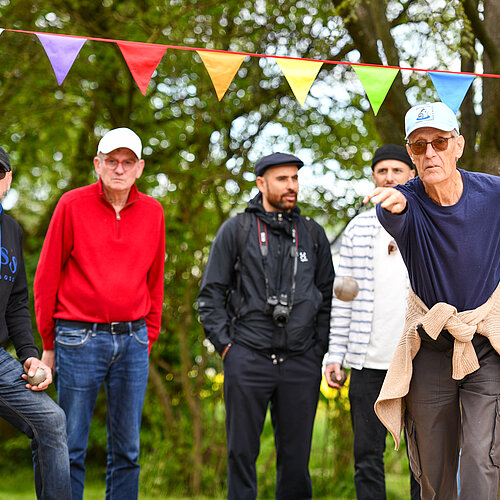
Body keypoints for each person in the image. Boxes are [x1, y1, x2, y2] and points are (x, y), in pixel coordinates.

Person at [364, 101, 500, 500]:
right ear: (410, 153)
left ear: (457, 144)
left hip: (484, 346)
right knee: (434, 471)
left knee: (482, 458)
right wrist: (396, 205)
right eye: (419, 146)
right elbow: (397, 213)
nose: (430, 153)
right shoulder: (403, 202)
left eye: (439, 142)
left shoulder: (492, 194)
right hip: (430, 348)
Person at [33, 127, 165, 500]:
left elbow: (155, 281)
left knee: (128, 450)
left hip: (134, 339)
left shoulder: (154, 212)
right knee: (69, 445)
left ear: (139, 168)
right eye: (111, 161)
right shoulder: (71, 204)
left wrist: (148, 335)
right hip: (78, 337)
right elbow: (46, 277)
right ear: (97, 165)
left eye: (127, 162)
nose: (119, 169)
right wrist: (48, 343)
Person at [198, 152, 335, 500]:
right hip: (248, 358)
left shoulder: (313, 234)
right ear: (261, 184)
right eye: (282, 179)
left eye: (294, 179)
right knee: (241, 454)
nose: (291, 186)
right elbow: (211, 295)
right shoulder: (237, 229)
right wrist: (228, 348)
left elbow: (326, 296)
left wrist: (317, 349)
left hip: (301, 361)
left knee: (295, 461)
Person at [324, 144, 420, 500]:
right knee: (367, 456)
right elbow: (342, 298)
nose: (390, 177)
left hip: (418, 361)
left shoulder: (424, 221)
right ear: (374, 177)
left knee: (422, 457)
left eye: (397, 170)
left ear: (411, 174)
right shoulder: (358, 229)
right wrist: (335, 355)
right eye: (382, 171)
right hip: (367, 364)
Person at [0, 147, 71, 499]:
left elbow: (16, 302)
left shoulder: (11, 230)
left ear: (8, 179)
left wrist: (29, 354)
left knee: (52, 421)